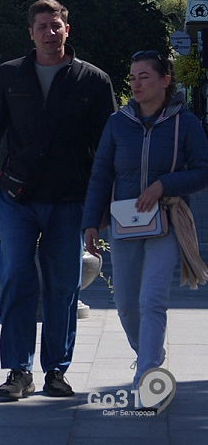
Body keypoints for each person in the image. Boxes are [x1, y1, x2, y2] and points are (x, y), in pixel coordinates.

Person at [0, 0, 116, 400]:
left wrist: (102, 207)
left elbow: (108, 149)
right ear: (30, 33)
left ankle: (57, 371)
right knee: (16, 276)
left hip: (69, 199)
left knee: (63, 285)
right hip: (18, 197)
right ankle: (18, 370)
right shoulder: (10, 75)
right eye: (42, 26)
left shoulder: (93, 81)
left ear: (67, 30)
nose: (50, 32)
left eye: (56, 25)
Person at [81, 50, 208, 391]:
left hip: (166, 222)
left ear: (165, 80)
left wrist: (165, 185)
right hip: (124, 223)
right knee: (125, 304)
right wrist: (91, 222)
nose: (136, 84)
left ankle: (147, 375)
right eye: (132, 78)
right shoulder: (117, 122)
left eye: (144, 77)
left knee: (152, 300)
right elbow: (100, 174)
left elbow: (203, 171)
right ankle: (148, 352)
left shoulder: (186, 123)